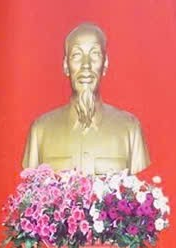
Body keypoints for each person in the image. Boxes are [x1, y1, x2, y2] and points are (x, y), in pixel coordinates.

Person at [23, 23, 150, 174]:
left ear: (105, 64)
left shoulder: (130, 129)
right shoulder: (40, 130)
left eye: (95, 54)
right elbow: (31, 184)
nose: (86, 65)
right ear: (66, 65)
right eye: (77, 55)